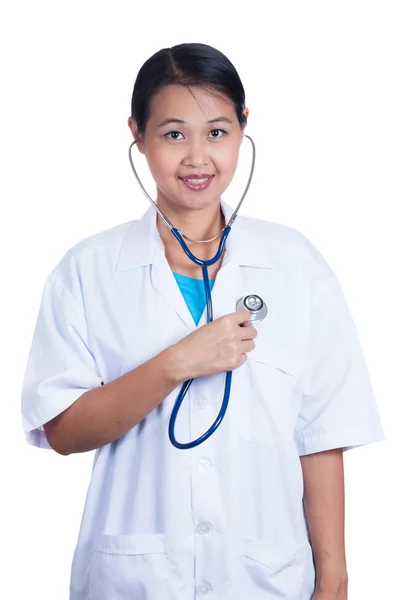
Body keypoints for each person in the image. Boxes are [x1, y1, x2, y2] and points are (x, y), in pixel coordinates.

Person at [21, 42, 384, 600]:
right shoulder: (87, 271)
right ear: (137, 136)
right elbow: (64, 431)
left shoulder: (296, 265)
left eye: (217, 132)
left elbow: (320, 437)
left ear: (243, 127)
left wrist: (333, 581)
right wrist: (175, 364)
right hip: (135, 581)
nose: (197, 157)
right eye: (172, 134)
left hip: (267, 579)